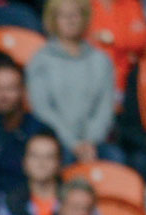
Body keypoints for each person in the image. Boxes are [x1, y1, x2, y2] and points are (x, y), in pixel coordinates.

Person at [27, 0, 117, 165]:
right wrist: (73, 142)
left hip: (95, 143)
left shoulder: (102, 60)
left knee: (116, 159)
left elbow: (105, 108)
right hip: (57, 141)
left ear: (85, 18)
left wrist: (89, 141)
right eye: (63, 15)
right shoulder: (40, 60)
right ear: (54, 19)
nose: (70, 20)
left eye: (75, 14)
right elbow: (42, 108)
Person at [0, 63, 56, 203]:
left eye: (10, 89)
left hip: (27, 204)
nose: (2, 95)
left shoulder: (40, 131)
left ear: (23, 90)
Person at [0, 130, 67, 215]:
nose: (41, 163)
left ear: (59, 163)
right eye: (35, 156)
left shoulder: (73, 200)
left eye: (49, 157)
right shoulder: (10, 203)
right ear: (24, 162)